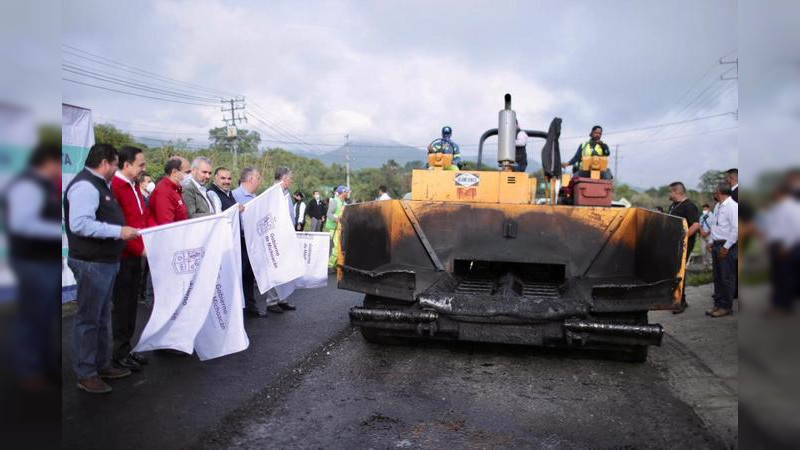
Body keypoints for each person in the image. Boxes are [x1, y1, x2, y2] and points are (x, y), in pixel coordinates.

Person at [63, 144, 140, 394]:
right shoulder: (86, 186)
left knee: (100, 317)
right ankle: (86, 373)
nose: (116, 169)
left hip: (103, 262)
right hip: (91, 262)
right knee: (88, 319)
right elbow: (80, 224)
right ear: (105, 163)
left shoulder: (98, 184)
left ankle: (100, 364)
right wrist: (119, 231)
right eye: (116, 164)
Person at [2, 143, 62, 390]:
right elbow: (22, 224)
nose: (60, 169)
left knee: (45, 317)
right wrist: (58, 231)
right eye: (59, 163)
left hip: (44, 261)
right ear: (49, 161)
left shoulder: (43, 184)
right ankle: (28, 371)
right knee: (32, 317)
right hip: (32, 261)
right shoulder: (27, 185)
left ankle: (45, 366)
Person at [110, 146, 149, 371]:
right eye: (140, 165)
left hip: (137, 254)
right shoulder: (116, 187)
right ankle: (119, 353)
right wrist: (139, 250)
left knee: (131, 305)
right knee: (122, 306)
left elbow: (140, 220)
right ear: (126, 165)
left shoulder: (134, 186)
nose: (143, 169)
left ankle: (127, 349)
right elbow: (120, 225)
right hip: (124, 256)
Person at [232, 167, 265, 317]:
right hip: (240, 240)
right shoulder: (235, 195)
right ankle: (239, 308)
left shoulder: (255, 197)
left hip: (253, 241)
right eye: (258, 177)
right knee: (239, 274)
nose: (259, 180)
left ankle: (251, 306)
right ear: (251, 179)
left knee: (250, 275)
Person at [265, 167, 298, 313]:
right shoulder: (272, 193)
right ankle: (272, 302)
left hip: (287, 236)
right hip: (276, 238)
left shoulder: (286, 193)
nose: (291, 181)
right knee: (275, 269)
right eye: (290, 178)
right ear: (284, 178)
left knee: (285, 269)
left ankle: (282, 299)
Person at [667, 182, 701, 314]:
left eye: (671, 192)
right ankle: (678, 298)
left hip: (683, 244)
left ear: (677, 192)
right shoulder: (674, 205)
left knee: (679, 272)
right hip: (673, 244)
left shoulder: (689, 206)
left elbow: (696, 225)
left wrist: (682, 238)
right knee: (673, 271)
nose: (669, 194)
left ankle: (680, 302)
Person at [706, 182, 738, 318]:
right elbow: (715, 226)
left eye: (715, 191)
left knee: (727, 278)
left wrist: (726, 247)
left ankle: (726, 307)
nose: (713, 193)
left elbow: (736, 228)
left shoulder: (733, 206)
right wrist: (711, 241)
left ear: (721, 192)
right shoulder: (718, 206)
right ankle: (718, 304)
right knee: (717, 277)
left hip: (727, 246)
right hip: (716, 244)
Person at [148, 158, 189, 226]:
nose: (190, 176)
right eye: (187, 172)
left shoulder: (175, 189)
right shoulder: (163, 191)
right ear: (174, 172)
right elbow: (166, 225)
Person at [325, 185, 350, 269]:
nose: (347, 193)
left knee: (340, 247)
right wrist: (336, 219)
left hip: (340, 228)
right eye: (346, 192)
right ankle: (330, 265)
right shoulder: (334, 201)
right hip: (333, 228)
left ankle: (336, 265)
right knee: (336, 248)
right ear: (342, 192)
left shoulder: (343, 202)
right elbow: (329, 214)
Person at [699, 204, 714, 270]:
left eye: (705, 209)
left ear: (709, 209)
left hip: (710, 235)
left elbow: (714, 227)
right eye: (703, 209)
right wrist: (702, 232)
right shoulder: (701, 217)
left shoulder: (713, 216)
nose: (704, 211)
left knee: (709, 250)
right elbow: (699, 225)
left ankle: (710, 264)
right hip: (702, 235)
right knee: (703, 251)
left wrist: (707, 233)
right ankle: (704, 264)